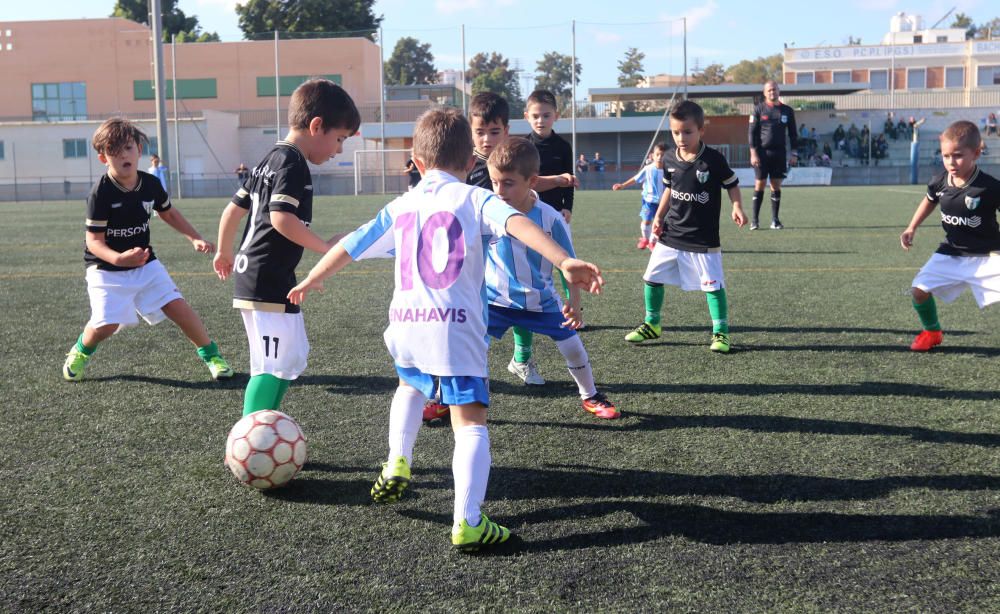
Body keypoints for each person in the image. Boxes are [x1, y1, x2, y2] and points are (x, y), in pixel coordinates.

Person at [285, 107, 605, 552]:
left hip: (406, 323)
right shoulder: (476, 199)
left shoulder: (403, 203)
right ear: (473, 163)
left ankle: (398, 460)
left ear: (416, 162)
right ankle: (468, 522)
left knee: (409, 387)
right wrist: (564, 260)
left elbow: (350, 244)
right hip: (454, 328)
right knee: (470, 424)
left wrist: (314, 277)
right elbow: (519, 223)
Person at [213, 79, 361, 416]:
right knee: (271, 364)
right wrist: (325, 248)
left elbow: (234, 209)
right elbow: (281, 218)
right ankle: (250, 437)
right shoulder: (292, 164)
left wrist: (224, 250)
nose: (338, 149)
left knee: (289, 358)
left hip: (265, 275)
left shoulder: (270, 158)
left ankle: (264, 426)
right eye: (338, 139)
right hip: (264, 277)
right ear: (316, 126)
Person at [62, 118, 232, 382]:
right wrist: (119, 259)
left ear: (139, 150)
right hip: (106, 268)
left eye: (128, 148)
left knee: (178, 307)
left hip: (144, 262)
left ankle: (212, 356)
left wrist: (194, 237)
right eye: (114, 151)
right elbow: (94, 242)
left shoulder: (150, 184)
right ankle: (81, 350)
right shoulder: (101, 193)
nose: (123, 155)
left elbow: (169, 213)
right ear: (102, 158)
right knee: (107, 324)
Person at [485, 137, 619, 419]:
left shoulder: (550, 218)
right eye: (494, 182)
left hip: (541, 301)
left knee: (573, 346)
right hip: (494, 301)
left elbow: (569, 265)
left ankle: (590, 395)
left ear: (532, 181)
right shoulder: (488, 212)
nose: (499, 190)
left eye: (508, 183)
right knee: (467, 347)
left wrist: (575, 303)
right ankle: (445, 398)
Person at [625, 100, 746, 352]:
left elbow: (732, 184)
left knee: (713, 285)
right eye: (676, 132)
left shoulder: (713, 159)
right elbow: (670, 189)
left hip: (703, 238)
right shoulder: (669, 158)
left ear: (701, 130)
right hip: (672, 233)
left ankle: (721, 333)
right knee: (651, 278)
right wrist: (659, 215)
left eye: (687, 132)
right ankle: (652, 324)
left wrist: (737, 206)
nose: (681, 137)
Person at [900, 120, 1000, 352]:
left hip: (988, 255)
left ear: (976, 153)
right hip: (952, 251)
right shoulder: (938, 181)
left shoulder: (990, 187)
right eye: (946, 156)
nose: (951, 162)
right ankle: (932, 332)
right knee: (919, 290)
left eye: (957, 155)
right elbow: (929, 201)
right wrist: (911, 227)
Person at [748, 80, 798, 230]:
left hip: (779, 153)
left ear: (779, 91)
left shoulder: (787, 111)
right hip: (762, 153)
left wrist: (794, 153)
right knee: (760, 184)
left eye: (774, 90)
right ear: (764, 93)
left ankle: (775, 220)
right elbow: (751, 133)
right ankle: (755, 221)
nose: (772, 92)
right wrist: (753, 153)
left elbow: (793, 134)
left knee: (776, 185)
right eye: (769, 90)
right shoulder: (758, 110)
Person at [612, 142, 666, 250]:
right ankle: (645, 238)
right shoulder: (648, 169)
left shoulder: (669, 170)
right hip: (648, 202)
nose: (660, 157)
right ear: (652, 155)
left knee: (659, 224)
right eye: (657, 154)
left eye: (663, 155)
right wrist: (622, 185)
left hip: (663, 203)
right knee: (646, 220)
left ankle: (652, 242)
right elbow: (636, 179)